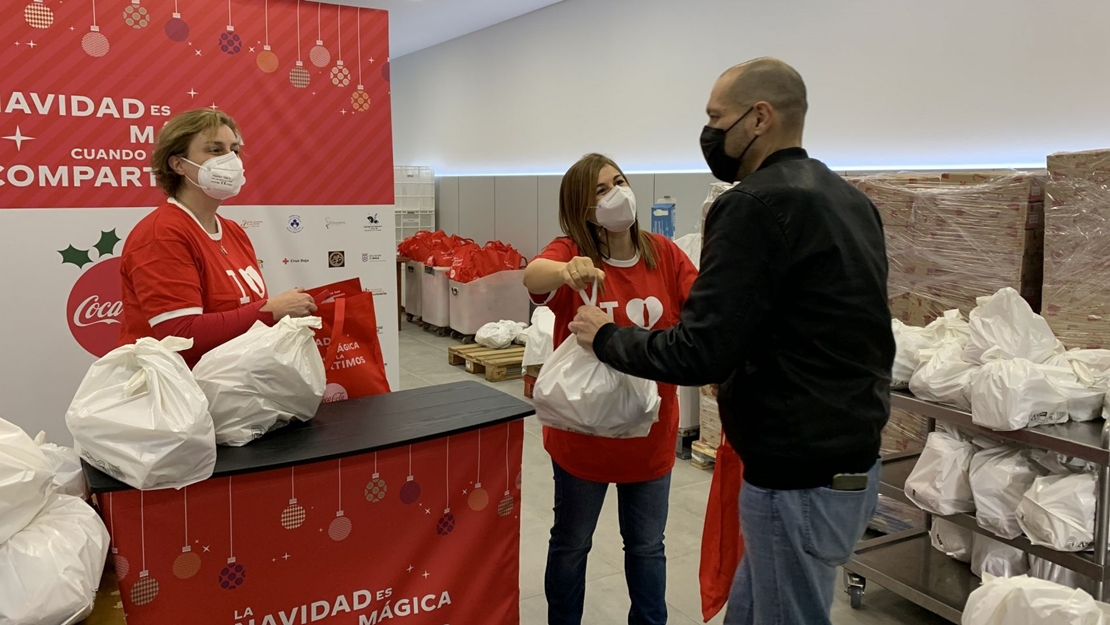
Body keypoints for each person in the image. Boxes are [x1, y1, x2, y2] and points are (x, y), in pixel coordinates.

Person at [569, 58, 895, 624]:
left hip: (794, 478)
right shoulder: (849, 200)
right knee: (751, 607)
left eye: (717, 118)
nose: (710, 133)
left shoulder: (750, 207)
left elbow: (701, 350)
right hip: (853, 460)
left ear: (759, 118)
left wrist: (608, 338)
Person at [523, 153, 698, 625]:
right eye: (601, 190)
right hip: (583, 440)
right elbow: (532, 275)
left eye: (618, 181)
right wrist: (565, 272)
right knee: (572, 544)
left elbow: (701, 314)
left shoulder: (664, 254)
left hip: (651, 439)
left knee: (646, 548)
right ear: (583, 209)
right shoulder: (572, 254)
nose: (616, 193)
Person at [119, 109, 317, 367]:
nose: (230, 160)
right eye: (215, 150)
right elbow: (180, 333)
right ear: (178, 164)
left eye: (233, 150)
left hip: (233, 387)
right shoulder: (162, 233)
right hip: (178, 394)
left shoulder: (233, 231)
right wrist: (272, 310)